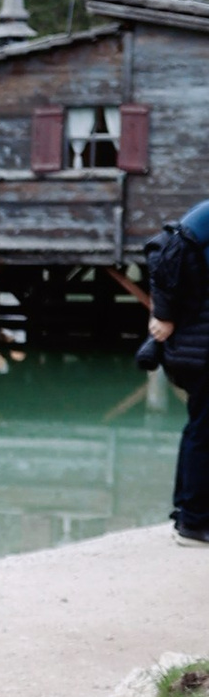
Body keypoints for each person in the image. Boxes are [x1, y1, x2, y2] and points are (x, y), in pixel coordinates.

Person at [145, 192, 209, 543]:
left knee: (201, 427)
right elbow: (161, 252)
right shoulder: (205, 216)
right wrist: (164, 314)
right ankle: (192, 522)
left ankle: (191, 514)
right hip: (201, 343)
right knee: (204, 430)